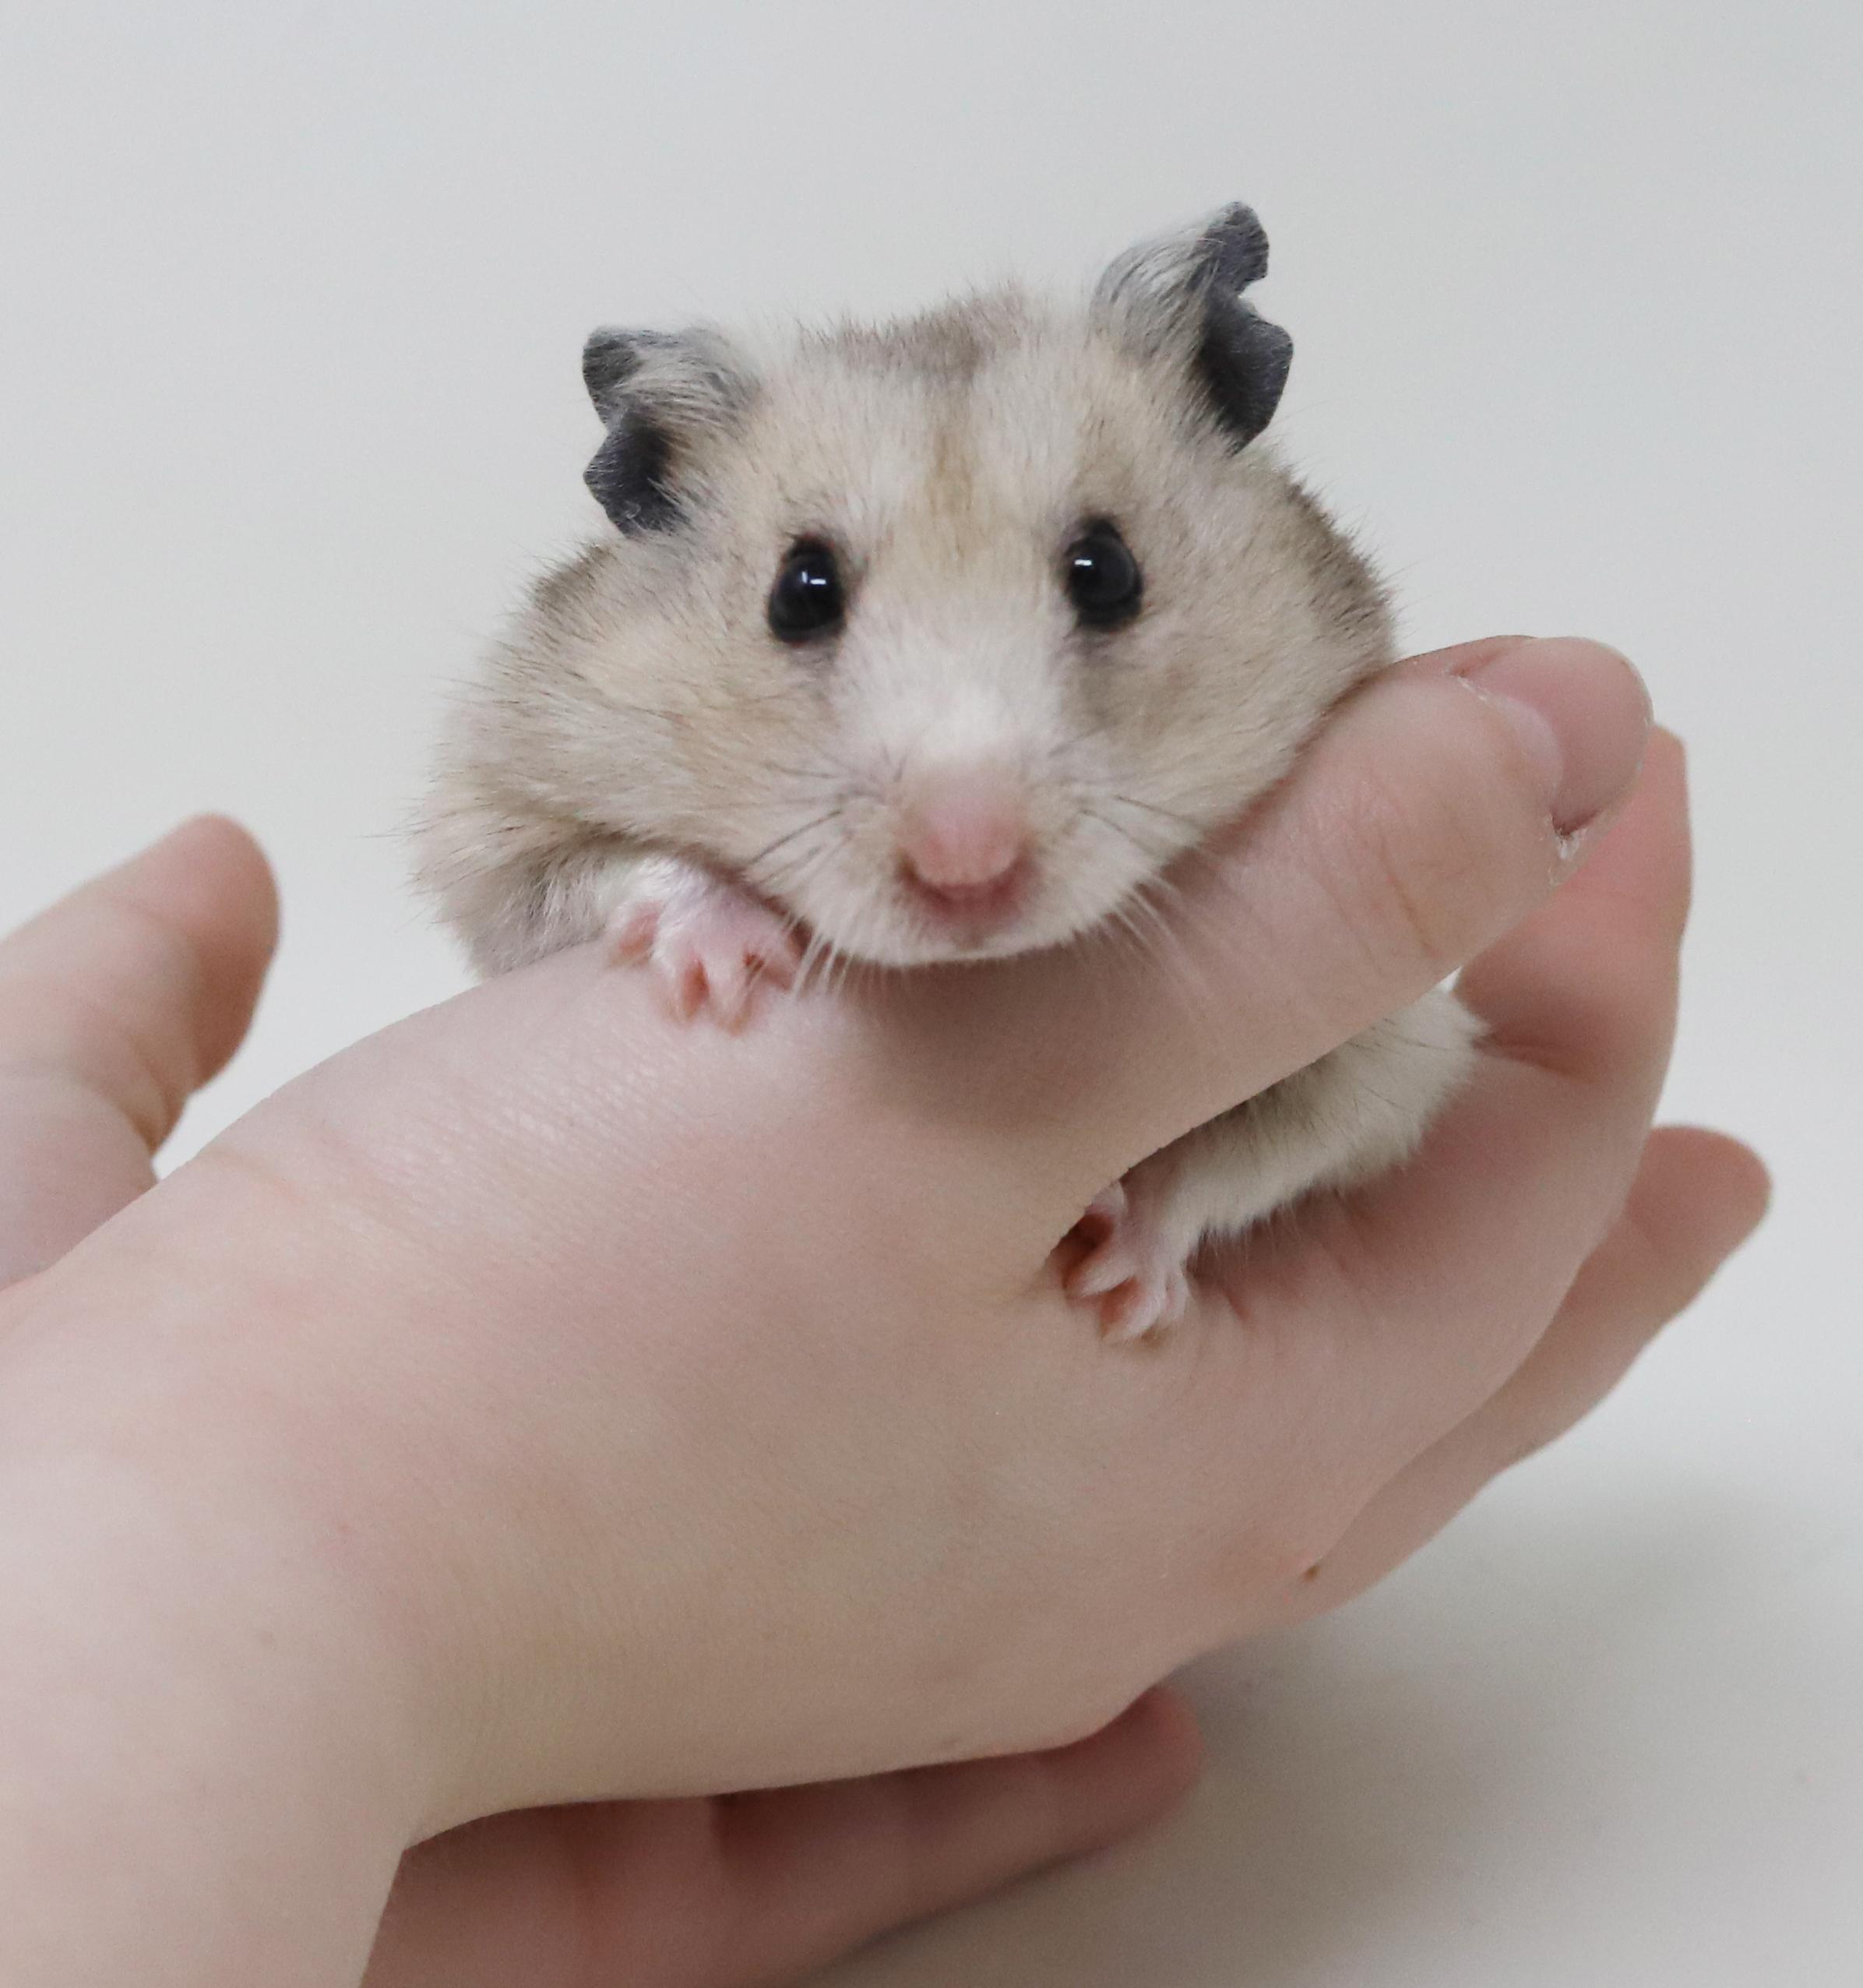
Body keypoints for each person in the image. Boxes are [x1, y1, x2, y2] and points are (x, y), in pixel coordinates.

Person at [0, 638, 1766, 1987]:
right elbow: (501, 851)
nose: (965, 833)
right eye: (813, 605)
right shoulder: (594, 719)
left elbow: (1376, 1087)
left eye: (1089, 595)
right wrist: (270, 1471)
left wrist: (277, 1818)